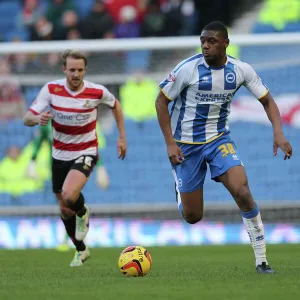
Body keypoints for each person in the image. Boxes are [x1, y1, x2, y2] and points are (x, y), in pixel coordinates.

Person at [155, 21, 292, 274]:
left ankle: (261, 259)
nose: (206, 46)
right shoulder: (188, 69)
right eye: (203, 41)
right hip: (186, 145)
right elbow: (161, 102)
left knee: (241, 189)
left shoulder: (240, 70)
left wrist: (278, 132)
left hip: (218, 140)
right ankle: (180, 186)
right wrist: (170, 143)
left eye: (211, 41)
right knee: (193, 216)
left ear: (225, 43)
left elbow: (268, 101)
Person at [23, 49, 127, 266]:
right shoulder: (51, 90)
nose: (76, 74)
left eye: (80, 70)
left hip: (86, 151)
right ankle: (81, 250)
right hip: (59, 155)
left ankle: (84, 210)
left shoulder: (96, 92)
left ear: (85, 70)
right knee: (63, 208)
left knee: (70, 195)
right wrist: (38, 117)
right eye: (72, 70)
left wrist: (122, 137)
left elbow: (115, 104)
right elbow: (27, 118)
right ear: (64, 70)